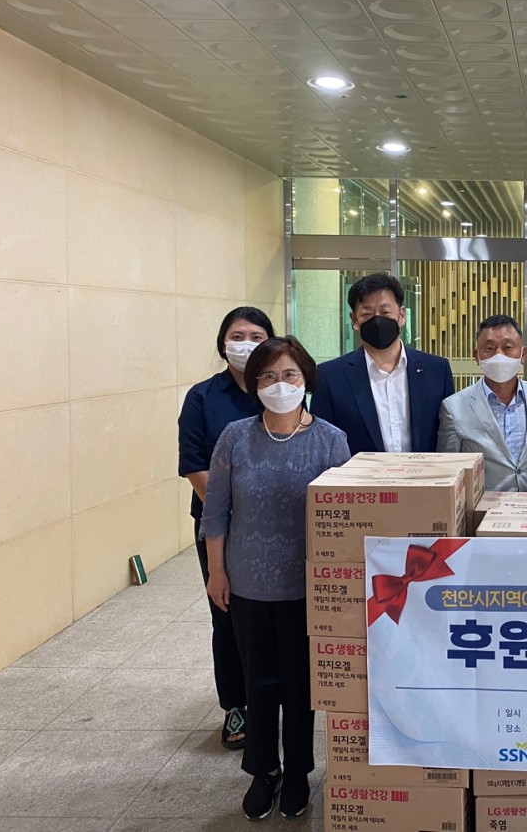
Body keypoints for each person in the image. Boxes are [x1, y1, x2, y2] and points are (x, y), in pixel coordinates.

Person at [201, 336, 351, 821]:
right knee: (259, 682)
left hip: (308, 585)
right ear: (254, 384)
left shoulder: (331, 439)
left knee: (301, 686)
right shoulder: (235, 437)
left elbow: (344, 518)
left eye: (289, 375)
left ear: (306, 379)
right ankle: (263, 770)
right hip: (247, 582)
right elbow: (216, 510)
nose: (279, 384)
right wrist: (217, 572)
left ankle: (299, 772)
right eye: (267, 376)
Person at [177, 306, 275, 751]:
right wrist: (231, 513)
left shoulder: (278, 391)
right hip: (221, 526)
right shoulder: (202, 397)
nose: (246, 344)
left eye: (257, 336)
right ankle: (236, 705)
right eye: (238, 336)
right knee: (228, 613)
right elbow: (193, 464)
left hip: (276, 526)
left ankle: (273, 699)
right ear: (223, 343)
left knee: (273, 618)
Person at [310, 272, 454, 454]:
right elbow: (322, 444)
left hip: (427, 472)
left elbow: (449, 437)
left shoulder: (437, 371)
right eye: (367, 314)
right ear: (354, 320)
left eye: (385, 312)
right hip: (358, 473)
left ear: (402, 315)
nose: (377, 321)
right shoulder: (330, 376)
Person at [436, 314, 527, 492]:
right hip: (482, 506)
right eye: (489, 348)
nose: (498, 355)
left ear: (523, 354)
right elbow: (448, 471)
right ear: (476, 356)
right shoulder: (453, 407)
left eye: (508, 347)